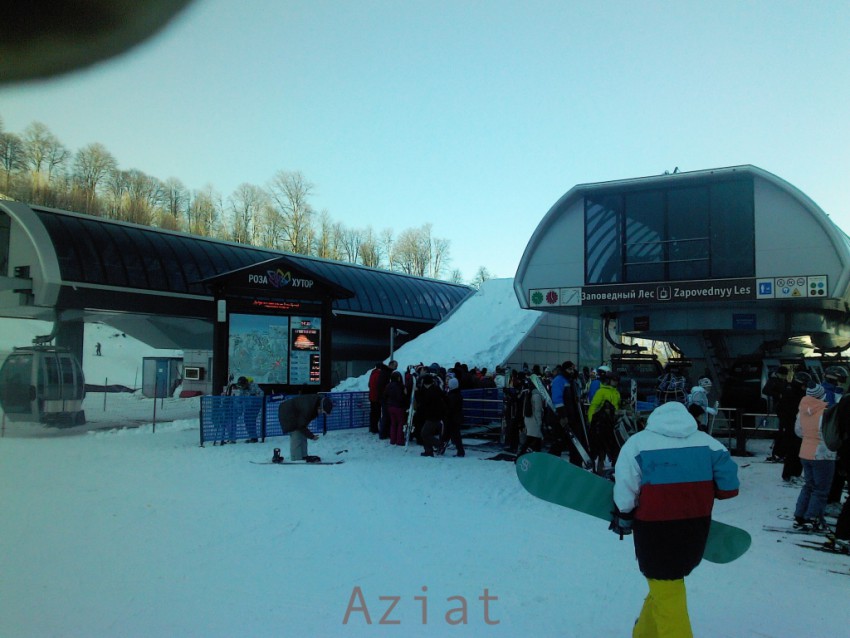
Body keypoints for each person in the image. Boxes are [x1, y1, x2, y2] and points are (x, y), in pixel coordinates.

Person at [611, 401, 740, 637]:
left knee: (666, 586)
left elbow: (626, 485)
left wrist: (624, 515)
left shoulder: (637, 444)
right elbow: (729, 487)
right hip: (695, 525)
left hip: (653, 529)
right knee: (665, 583)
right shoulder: (709, 443)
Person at [792, 382, 835, 530]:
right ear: (821, 396)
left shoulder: (802, 410)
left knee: (808, 485)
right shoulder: (825, 413)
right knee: (821, 489)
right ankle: (812, 517)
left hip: (805, 452)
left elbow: (798, 431)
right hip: (822, 454)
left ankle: (799, 515)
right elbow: (829, 435)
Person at [278, 393, 333, 461]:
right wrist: (312, 436)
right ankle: (296, 458)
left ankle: (303, 456)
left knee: (303, 434)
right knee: (296, 435)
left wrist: (309, 434)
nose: (321, 413)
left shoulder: (314, 404)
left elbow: (303, 424)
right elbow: (300, 426)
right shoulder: (308, 408)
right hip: (287, 414)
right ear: (320, 407)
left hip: (293, 412)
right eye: (322, 411)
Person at [417, 373, 446, 457]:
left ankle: (440, 444)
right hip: (435, 415)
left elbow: (423, 403)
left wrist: (417, 393)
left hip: (433, 416)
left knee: (424, 433)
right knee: (427, 433)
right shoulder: (435, 389)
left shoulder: (430, 392)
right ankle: (428, 450)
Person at [517, 373, 543, 457]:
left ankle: (535, 456)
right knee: (531, 440)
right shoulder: (537, 395)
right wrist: (539, 422)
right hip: (534, 420)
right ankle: (520, 456)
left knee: (533, 439)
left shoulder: (529, 393)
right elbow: (538, 410)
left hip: (528, 419)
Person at [232, 375, 263, 442]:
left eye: (242, 385)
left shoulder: (253, 386)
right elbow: (240, 398)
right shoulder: (242, 389)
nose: (241, 387)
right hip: (248, 407)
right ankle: (252, 436)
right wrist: (237, 402)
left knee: (251, 420)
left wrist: (254, 397)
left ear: (245, 383)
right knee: (247, 420)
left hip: (255, 406)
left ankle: (254, 437)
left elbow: (261, 393)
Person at [444, 377, 466, 457]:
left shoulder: (452, 395)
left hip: (452, 418)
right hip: (456, 417)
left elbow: (450, 407)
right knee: (455, 435)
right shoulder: (457, 394)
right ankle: (460, 451)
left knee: (453, 435)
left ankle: (460, 451)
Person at [384, 370, 406, 446]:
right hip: (398, 406)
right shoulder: (400, 386)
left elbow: (385, 395)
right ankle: (399, 440)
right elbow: (400, 397)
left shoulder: (388, 385)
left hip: (390, 406)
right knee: (400, 423)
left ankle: (392, 440)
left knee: (393, 423)